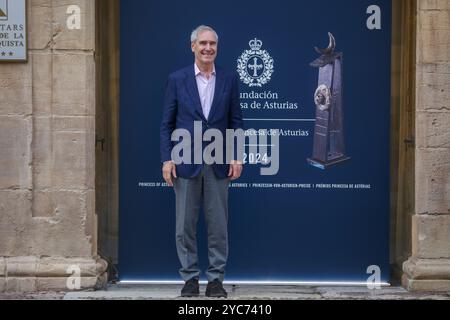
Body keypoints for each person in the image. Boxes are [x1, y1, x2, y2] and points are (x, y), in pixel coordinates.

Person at [160, 25, 244, 298]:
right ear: (193, 46)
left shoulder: (229, 80)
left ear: (217, 48)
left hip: (219, 161)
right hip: (185, 160)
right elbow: (167, 125)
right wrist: (167, 159)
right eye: (203, 43)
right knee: (184, 225)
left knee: (218, 225)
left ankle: (216, 280)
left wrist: (236, 155)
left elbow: (236, 122)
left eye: (212, 44)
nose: (208, 48)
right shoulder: (177, 79)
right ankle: (190, 279)